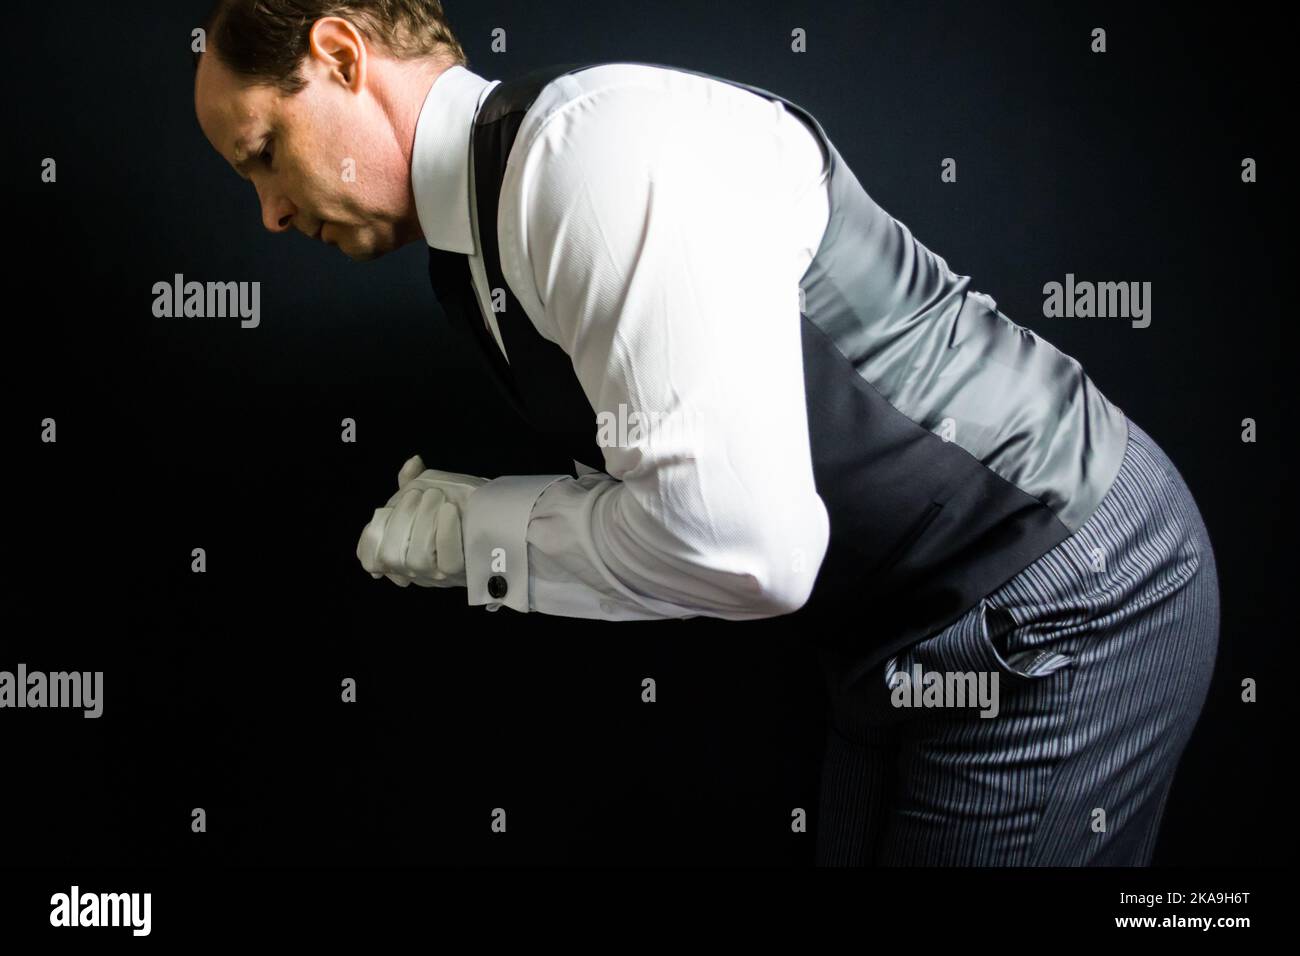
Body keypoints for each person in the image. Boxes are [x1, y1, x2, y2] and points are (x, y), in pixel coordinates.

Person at [193, 0, 1220, 865]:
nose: (271, 216)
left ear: (338, 54)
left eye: (262, 154)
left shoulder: (585, 155)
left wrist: (481, 534)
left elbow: (746, 549)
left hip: (1063, 592)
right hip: (896, 636)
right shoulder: (472, 247)